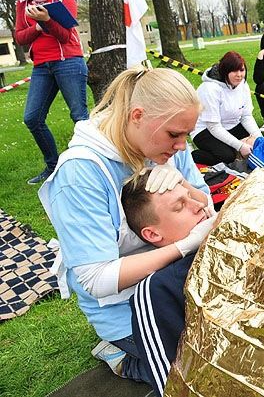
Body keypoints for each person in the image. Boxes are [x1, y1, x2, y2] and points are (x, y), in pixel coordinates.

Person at [38, 67, 215, 385]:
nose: (182, 146)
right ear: (137, 116)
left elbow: (207, 207)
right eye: (174, 135)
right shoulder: (80, 174)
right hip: (126, 309)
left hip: (180, 282)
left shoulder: (167, 149)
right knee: (201, 373)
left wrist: (184, 185)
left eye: (186, 135)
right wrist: (184, 246)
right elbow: (96, 278)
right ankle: (121, 357)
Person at [121, 169, 215, 397]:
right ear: (153, 234)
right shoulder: (157, 291)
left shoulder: (233, 242)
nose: (198, 206)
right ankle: (126, 364)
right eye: (179, 206)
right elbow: (172, 384)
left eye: (190, 196)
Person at [14, 0, 88, 185]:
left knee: (80, 118)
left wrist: (47, 20)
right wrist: (38, 26)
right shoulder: (23, 2)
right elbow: (20, 37)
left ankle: (88, 167)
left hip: (68, 62)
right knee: (32, 118)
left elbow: (66, 36)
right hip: (41, 66)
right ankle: (53, 166)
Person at [191, 50, 263, 165]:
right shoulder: (209, 89)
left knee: (257, 144)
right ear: (225, 71)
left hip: (231, 124)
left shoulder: (243, 84)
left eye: (242, 70)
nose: (239, 75)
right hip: (205, 129)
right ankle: (193, 156)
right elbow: (213, 126)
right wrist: (240, 146)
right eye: (234, 71)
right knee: (227, 156)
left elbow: (246, 116)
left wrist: (260, 139)